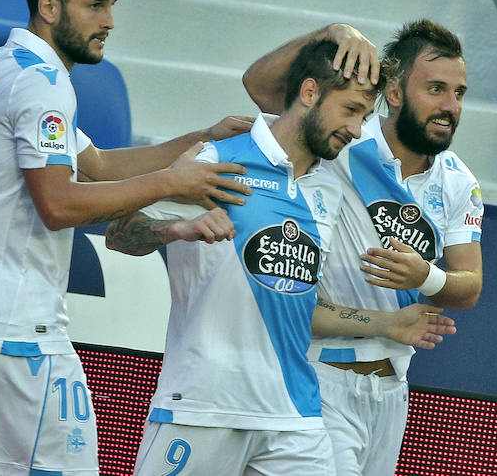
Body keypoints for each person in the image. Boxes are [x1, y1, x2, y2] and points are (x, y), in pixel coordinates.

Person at [0, 0, 255, 476]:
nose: (109, 21)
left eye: (112, 5)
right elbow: (59, 204)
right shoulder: (44, 83)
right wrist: (170, 182)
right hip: (14, 329)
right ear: (50, 7)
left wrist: (201, 137)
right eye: (96, 6)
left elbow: (99, 165)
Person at [105, 39, 456, 475]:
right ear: (309, 93)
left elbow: (299, 303)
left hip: (295, 417)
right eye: (349, 111)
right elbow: (119, 235)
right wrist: (174, 229)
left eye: (364, 116)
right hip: (205, 407)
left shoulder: (329, 187)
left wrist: (385, 324)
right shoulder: (218, 160)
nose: (355, 128)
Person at [242, 20, 484, 475]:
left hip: (393, 391)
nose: (450, 106)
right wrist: (330, 33)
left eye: (459, 93)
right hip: (322, 376)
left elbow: (469, 286)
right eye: (435, 89)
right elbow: (258, 85)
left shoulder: (459, 182)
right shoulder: (346, 137)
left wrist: (425, 277)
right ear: (394, 92)